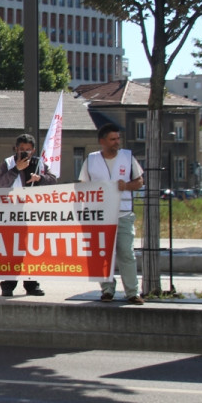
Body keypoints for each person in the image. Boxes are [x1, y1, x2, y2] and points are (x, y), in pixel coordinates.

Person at [78, 124, 145, 305]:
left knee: (126, 252)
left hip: (123, 213)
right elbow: (82, 185)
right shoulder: (91, 160)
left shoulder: (127, 157)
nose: (117, 142)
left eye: (118, 139)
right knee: (103, 254)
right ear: (102, 141)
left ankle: (132, 292)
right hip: (100, 215)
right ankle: (107, 290)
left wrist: (127, 186)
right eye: (112, 139)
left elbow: (139, 181)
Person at [0, 133, 58, 297]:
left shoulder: (40, 164)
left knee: (31, 249)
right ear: (16, 149)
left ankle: (31, 284)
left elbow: (53, 180)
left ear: (33, 150)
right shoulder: (8, 163)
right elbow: (1, 183)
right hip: (12, 212)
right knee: (12, 249)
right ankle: (8, 283)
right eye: (21, 149)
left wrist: (41, 178)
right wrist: (17, 169)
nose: (24, 152)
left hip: (33, 213)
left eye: (28, 150)